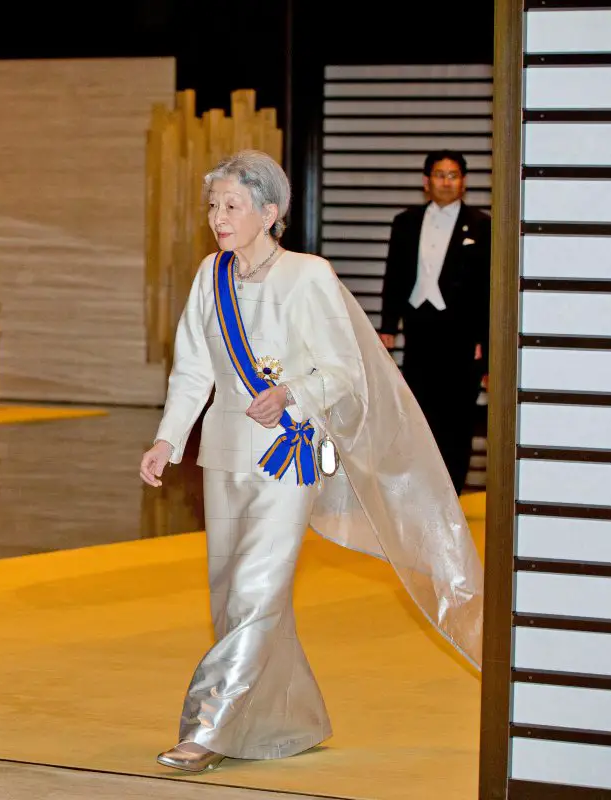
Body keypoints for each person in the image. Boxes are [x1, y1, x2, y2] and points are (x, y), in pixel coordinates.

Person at [139, 150, 484, 773]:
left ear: (270, 213)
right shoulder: (207, 276)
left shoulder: (309, 275)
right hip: (222, 453)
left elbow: (347, 370)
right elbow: (191, 368)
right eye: (213, 206)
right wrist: (168, 439)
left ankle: (208, 728)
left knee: (256, 590)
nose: (218, 218)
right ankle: (288, 722)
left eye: (232, 206)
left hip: (285, 456)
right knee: (230, 597)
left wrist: (291, 392)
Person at [380, 150, 491, 494]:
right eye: (440, 174)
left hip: (462, 333)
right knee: (418, 412)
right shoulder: (406, 221)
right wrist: (387, 327)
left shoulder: (483, 224)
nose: (447, 181)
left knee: (457, 416)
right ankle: (419, 489)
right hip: (419, 328)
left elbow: (489, 287)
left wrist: (485, 342)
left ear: (464, 181)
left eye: (454, 175)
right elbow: (394, 276)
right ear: (426, 182)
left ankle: (452, 489)